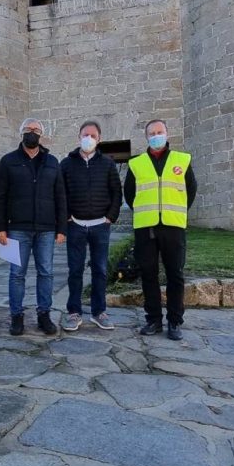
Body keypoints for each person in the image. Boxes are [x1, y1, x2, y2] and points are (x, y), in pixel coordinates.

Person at [0, 118, 68, 336]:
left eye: (36, 130)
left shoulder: (52, 162)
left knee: (46, 272)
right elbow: (0, 197)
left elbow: (60, 196)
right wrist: (0, 227)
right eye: (28, 129)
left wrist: (62, 228)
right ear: (21, 133)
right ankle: (16, 316)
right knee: (17, 274)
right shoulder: (8, 161)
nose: (32, 132)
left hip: (46, 229)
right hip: (17, 228)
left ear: (41, 134)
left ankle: (44, 314)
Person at [124, 119, 197, 340]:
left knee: (175, 274)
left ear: (167, 134)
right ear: (146, 137)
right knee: (148, 274)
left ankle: (174, 321)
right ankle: (153, 319)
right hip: (146, 226)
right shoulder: (136, 163)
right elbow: (129, 194)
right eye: (152, 133)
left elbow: (191, 190)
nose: (156, 135)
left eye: (160, 132)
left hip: (173, 225)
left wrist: (176, 212)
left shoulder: (181, 160)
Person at [60, 120, 122, 332]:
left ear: (99, 139)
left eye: (93, 135)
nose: (89, 138)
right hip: (75, 225)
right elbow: (60, 192)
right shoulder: (66, 164)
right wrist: (66, 216)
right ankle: (73, 312)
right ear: (79, 137)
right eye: (85, 135)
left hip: (100, 226)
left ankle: (99, 312)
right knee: (75, 270)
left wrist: (110, 217)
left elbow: (117, 192)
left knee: (100, 270)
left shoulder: (107, 164)